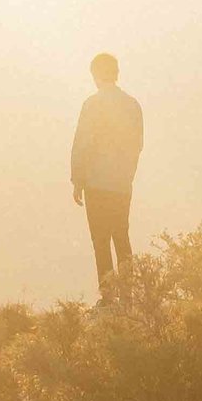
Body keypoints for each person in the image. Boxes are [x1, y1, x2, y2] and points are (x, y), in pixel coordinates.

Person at [70, 51, 143, 295]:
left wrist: (78, 179)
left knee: (100, 240)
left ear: (95, 75)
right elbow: (138, 144)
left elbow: (83, 143)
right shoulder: (132, 104)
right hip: (122, 184)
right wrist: (128, 174)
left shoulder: (92, 105)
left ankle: (109, 296)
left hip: (97, 183)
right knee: (121, 235)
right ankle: (128, 295)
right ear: (117, 73)